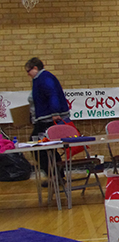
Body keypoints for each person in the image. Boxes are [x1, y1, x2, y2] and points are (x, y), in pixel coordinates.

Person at [25, 57, 70, 186]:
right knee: (50, 149)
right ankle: (57, 176)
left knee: (36, 146)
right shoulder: (41, 78)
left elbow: (52, 94)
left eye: (28, 71)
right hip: (45, 118)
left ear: (35, 68)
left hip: (47, 119)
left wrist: (55, 113)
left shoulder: (43, 78)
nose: (28, 75)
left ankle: (54, 176)